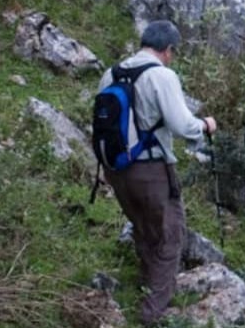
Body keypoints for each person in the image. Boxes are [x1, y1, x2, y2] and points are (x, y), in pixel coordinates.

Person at [98, 20, 217, 327]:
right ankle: (153, 314)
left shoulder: (111, 73)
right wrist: (204, 125)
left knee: (143, 226)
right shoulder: (161, 76)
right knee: (171, 235)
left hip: (116, 168)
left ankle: (148, 284)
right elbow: (181, 124)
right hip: (150, 168)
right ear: (168, 50)